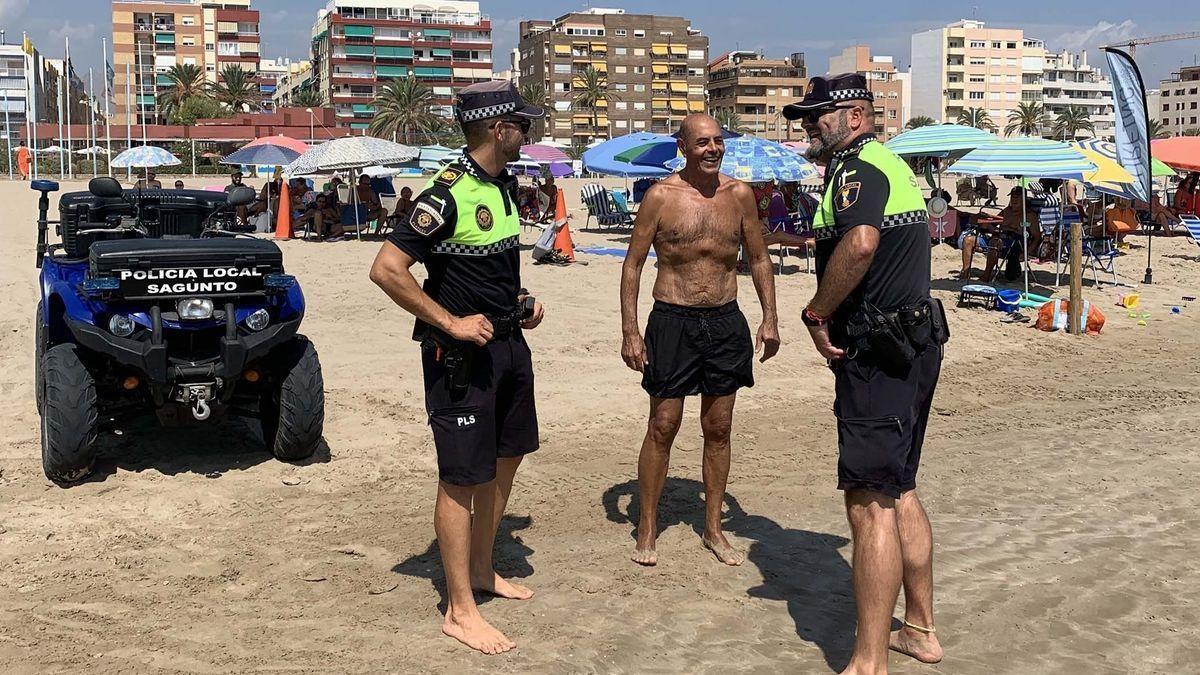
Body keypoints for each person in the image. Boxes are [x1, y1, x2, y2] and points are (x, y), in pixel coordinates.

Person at [369, 80, 546, 656]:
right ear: (499, 129)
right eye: (523, 125)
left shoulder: (504, 187)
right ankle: (459, 611)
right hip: (461, 359)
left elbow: (490, 269)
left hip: (509, 347)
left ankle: (480, 569)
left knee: (507, 458)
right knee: (461, 477)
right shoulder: (442, 195)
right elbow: (388, 270)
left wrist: (522, 301)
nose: (528, 133)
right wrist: (450, 323)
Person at [785, 73, 945, 674]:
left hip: (878, 353)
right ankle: (920, 631)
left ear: (854, 117)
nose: (806, 124)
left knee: (870, 502)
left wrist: (816, 312)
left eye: (816, 115)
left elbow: (860, 244)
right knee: (901, 486)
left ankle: (869, 662)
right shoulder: (892, 164)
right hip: (916, 342)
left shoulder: (856, 169)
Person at [620, 113, 780, 568]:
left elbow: (760, 258)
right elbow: (632, 265)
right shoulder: (660, 197)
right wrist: (631, 331)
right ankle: (647, 527)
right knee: (663, 425)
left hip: (725, 320)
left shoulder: (740, 195)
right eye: (702, 143)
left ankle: (713, 528)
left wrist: (770, 318)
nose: (712, 150)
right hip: (672, 319)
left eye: (718, 142)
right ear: (683, 148)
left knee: (719, 428)